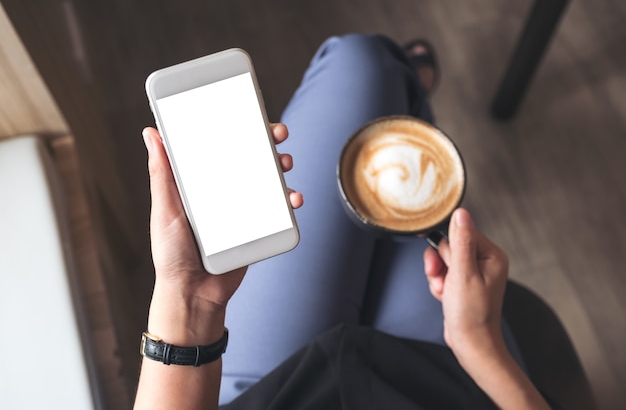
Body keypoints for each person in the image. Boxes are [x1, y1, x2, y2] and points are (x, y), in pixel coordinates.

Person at [134, 34, 553, 410]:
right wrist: (481, 349)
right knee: (371, 71)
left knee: (363, 64)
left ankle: (408, 91)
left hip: (270, 392)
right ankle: (410, 93)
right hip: (447, 384)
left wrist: (191, 298)